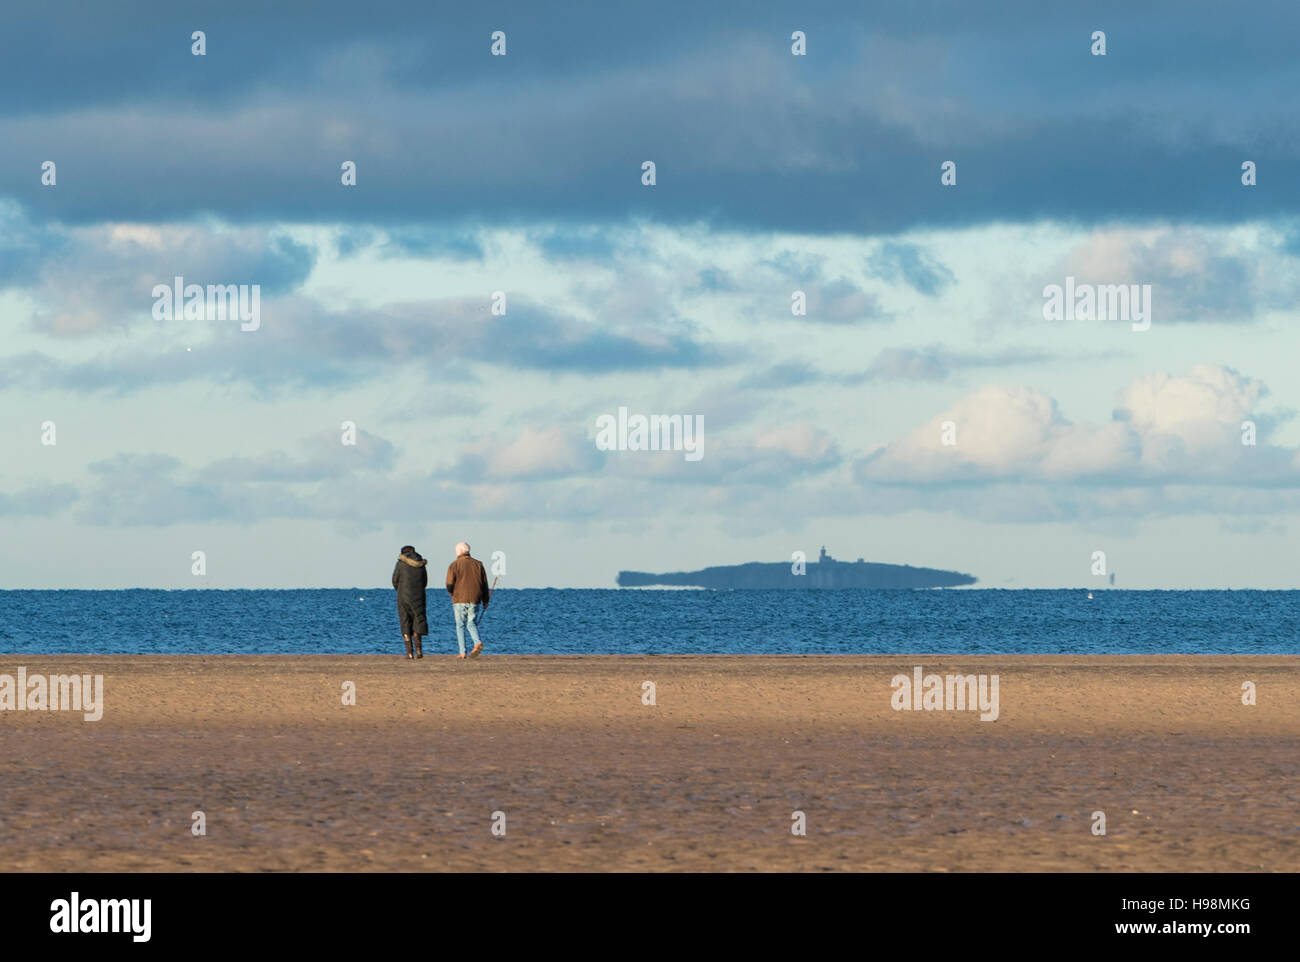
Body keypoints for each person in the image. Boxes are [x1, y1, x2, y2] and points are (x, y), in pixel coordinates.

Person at [445, 541, 490, 659]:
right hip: (475, 599)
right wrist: (486, 600)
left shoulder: (454, 565)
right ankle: (477, 642)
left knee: (460, 625)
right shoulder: (478, 564)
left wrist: (452, 594)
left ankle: (462, 651)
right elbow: (484, 584)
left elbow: (449, 584)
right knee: (471, 623)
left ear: (459, 552)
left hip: (459, 599)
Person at [392, 545, 429, 659]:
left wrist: (400, 590)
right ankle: (419, 650)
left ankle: (409, 653)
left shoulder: (400, 563)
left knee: (405, 622)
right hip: (419, 596)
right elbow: (425, 582)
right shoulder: (421, 564)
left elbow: (395, 580)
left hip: (403, 596)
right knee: (418, 620)